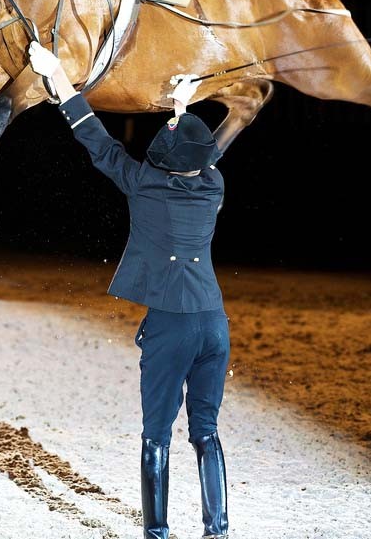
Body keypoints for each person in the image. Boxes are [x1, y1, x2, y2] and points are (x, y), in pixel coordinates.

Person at [28, 41, 230, 539]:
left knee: (155, 434)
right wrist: (183, 108)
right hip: (214, 324)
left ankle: (157, 534)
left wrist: (58, 76)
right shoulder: (213, 186)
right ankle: (218, 530)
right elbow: (197, 158)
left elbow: (96, 140)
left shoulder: (144, 185)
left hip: (171, 325)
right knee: (206, 432)